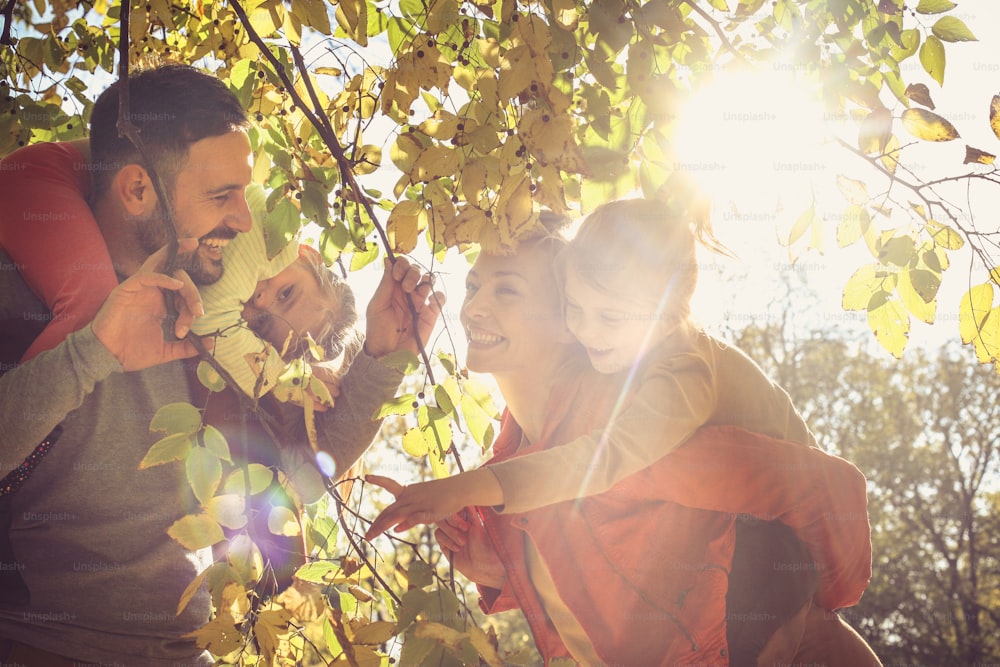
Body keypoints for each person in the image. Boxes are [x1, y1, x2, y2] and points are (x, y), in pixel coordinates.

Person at [0, 64, 441, 666]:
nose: (243, 219)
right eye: (220, 196)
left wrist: (384, 356)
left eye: (245, 192)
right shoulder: (20, 287)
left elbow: (296, 472)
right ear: (136, 190)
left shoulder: (213, 329)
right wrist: (92, 352)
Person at [365, 232, 882, 665]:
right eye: (474, 285)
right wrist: (502, 571)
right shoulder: (502, 477)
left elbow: (802, 484)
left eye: (507, 291)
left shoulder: (636, 421)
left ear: (570, 320)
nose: (474, 305)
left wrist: (810, 602)